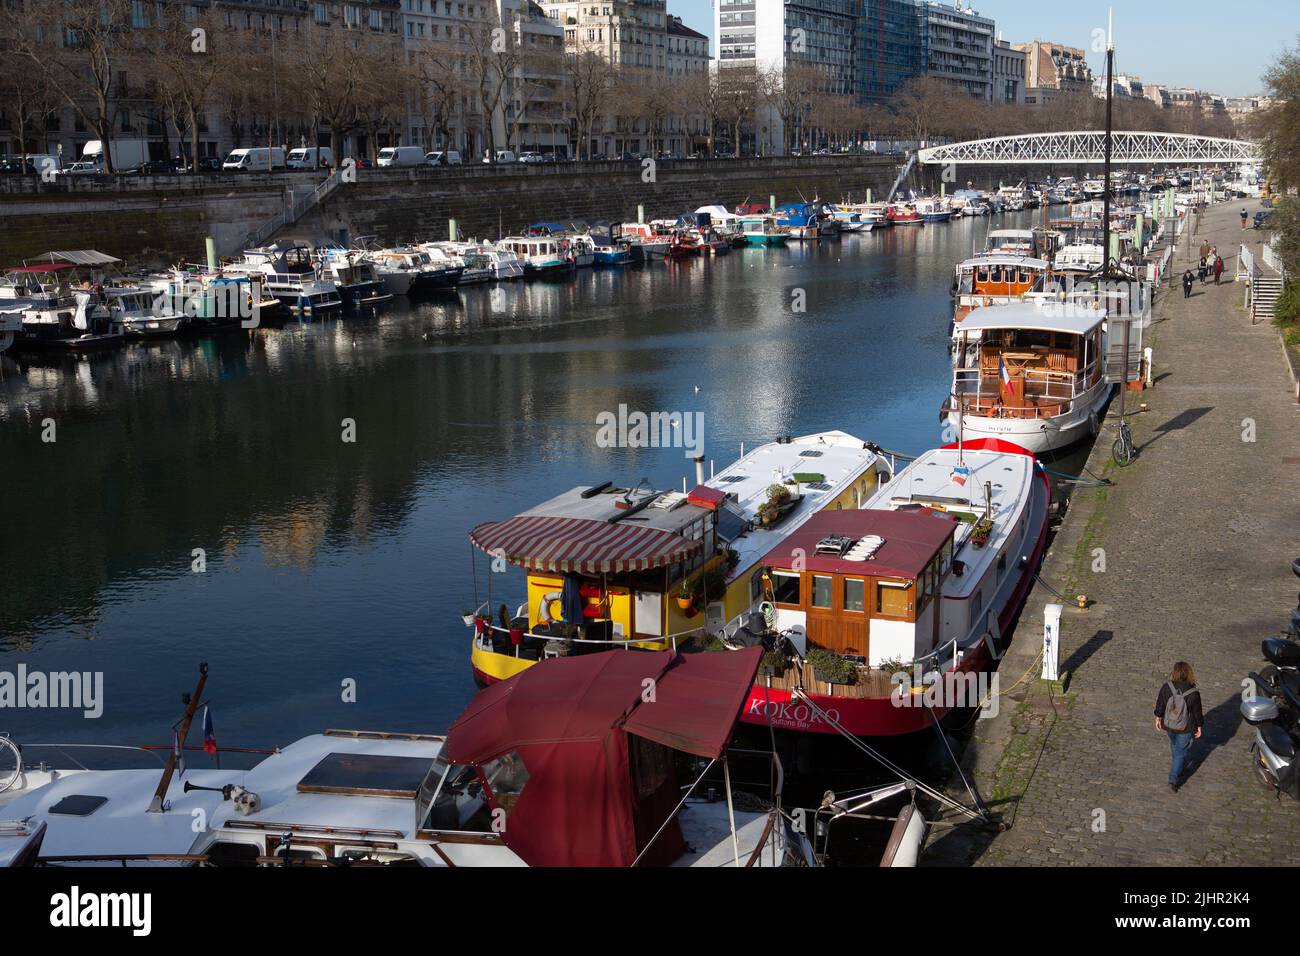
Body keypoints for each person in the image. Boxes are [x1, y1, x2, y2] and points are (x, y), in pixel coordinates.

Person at [1155, 662, 1203, 792]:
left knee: (1176, 747)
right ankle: (1173, 780)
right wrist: (1199, 726)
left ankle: (1178, 766)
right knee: (1180, 753)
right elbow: (1197, 712)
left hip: (1169, 725)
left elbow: (1160, 705)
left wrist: (1158, 717)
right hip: (1185, 728)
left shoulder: (1166, 687)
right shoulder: (1194, 692)